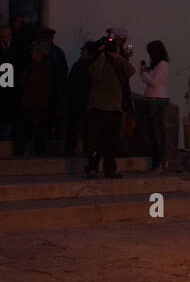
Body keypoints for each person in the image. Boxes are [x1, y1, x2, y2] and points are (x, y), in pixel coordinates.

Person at [85, 35, 135, 178]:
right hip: (99, 107)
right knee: (97, 141)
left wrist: (116, 57)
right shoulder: (100, 62)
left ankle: (108, 168)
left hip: (113, 107)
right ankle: (93, 167)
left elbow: (131, 70)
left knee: (110, 141)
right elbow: (94, 74)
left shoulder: (117, 62)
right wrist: (104, 57)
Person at [15, 42, 54, 157]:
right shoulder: (31, 66)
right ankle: (23, 149)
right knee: (25, 127)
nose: (32, 54)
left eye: (34, 52)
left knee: (38, 128)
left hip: (38, 102)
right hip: (29, 101)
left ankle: (38, 149)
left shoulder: (45, 68)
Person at [139, 40, 171, 171]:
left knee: (158, 133)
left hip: (157, 100)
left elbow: (154, 81)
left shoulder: (162, 64)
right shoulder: (158, 65)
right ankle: (156, 163)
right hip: (153, 99)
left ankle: (159, 163)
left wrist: (144, 74)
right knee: (153, 133)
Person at [65, 42, 96, 158]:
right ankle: (86, 150)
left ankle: (70, 149)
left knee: (73, 126)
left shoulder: (79, 65)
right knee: (87, 127)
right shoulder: (93, 66)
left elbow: (70, 83)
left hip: (77, 100)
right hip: (86, 100)